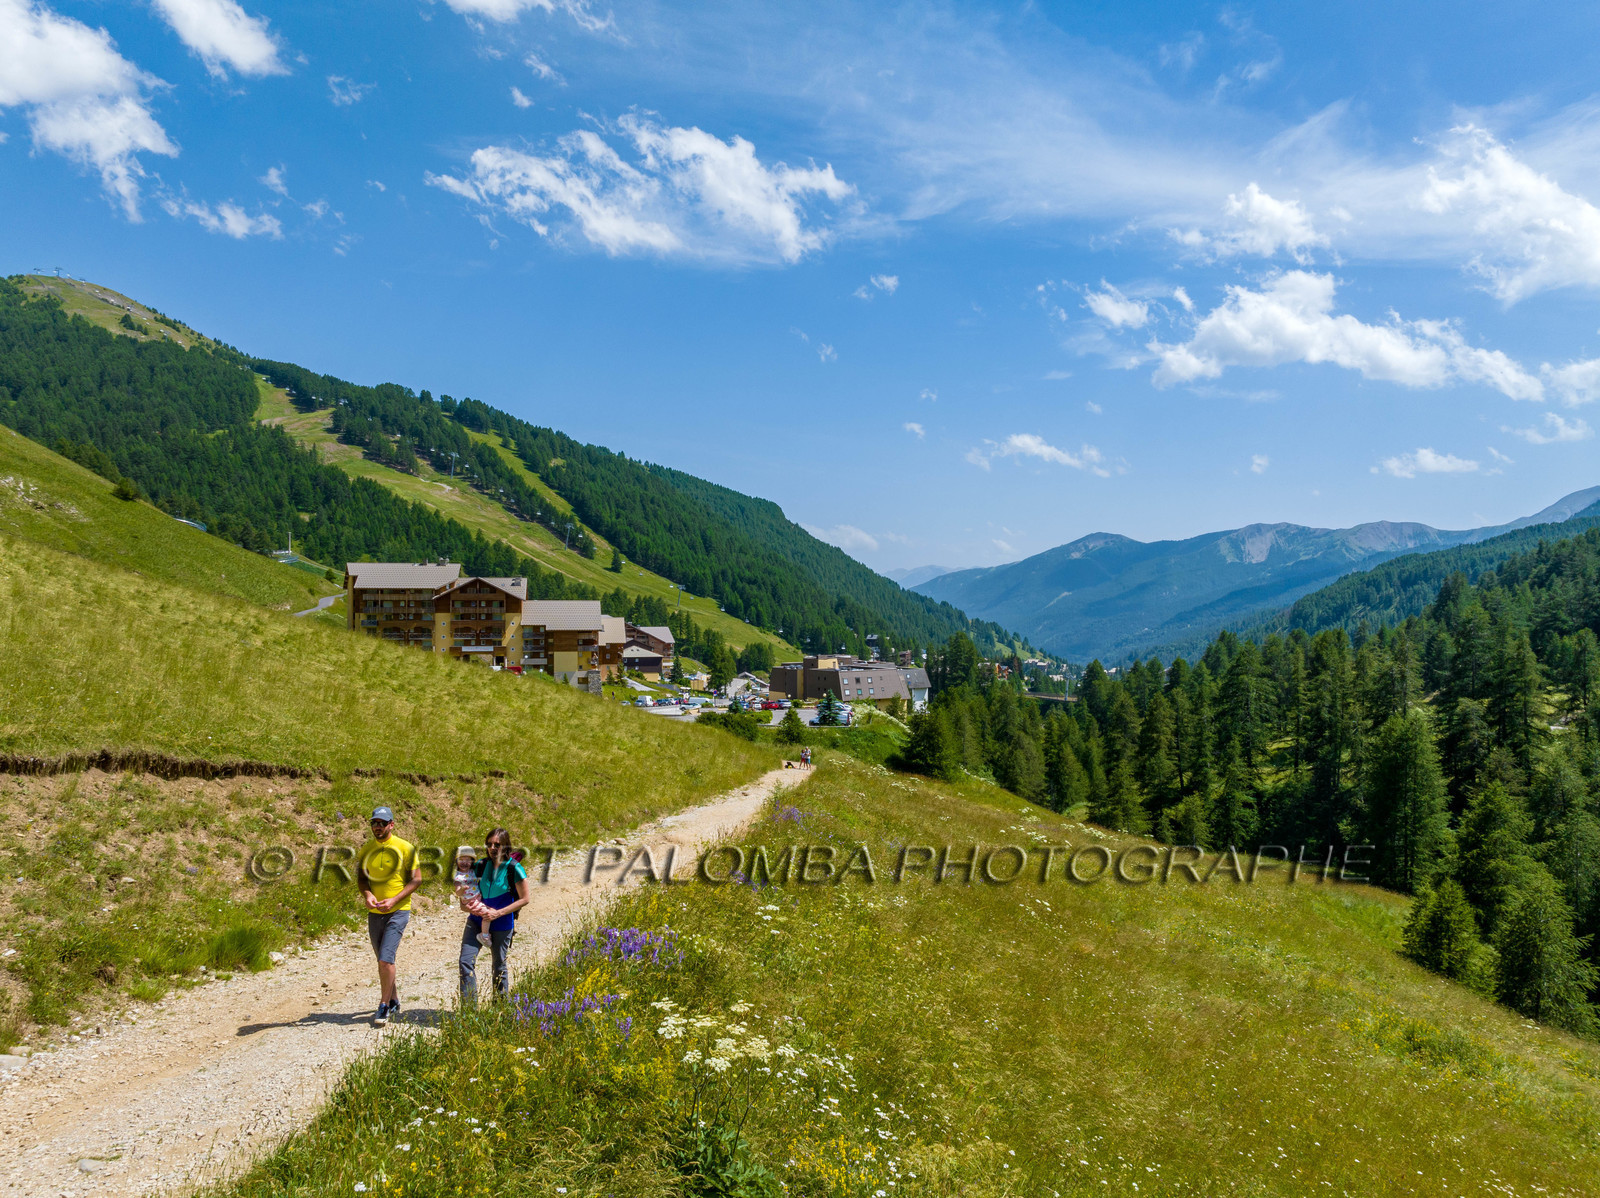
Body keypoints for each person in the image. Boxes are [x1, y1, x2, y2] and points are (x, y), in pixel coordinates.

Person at [358, 805, 420, 1027]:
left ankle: (383, 1005)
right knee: (383, 960)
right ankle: (394, 999)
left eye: (382, 823)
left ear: (391, 825)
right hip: (374, 912)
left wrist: (394, 900)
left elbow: (416, 879)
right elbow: (362, 880)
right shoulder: (366, 849)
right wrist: (367, 895)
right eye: (374, 823)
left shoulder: (405, 848)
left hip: (399, 910)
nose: (377, 827)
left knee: (385, 958)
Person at [458, 828, 530, 1003]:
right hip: (476, 920)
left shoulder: (514, 869)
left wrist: (498, 913)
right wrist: (464, 904)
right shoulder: (480, 866)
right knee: (465, 962)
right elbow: (466, 892)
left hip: (502, 923)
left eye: (497, 844)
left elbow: (525, 899)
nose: (492, 847)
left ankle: (499, 1009)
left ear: (505, 846)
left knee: (499, 967)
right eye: (489, 844)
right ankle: (469, 1013)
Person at [452, 846, 496, 947]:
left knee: (492, 910)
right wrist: (462, 889)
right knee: (487, 914)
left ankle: (485, 932)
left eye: (468, 860)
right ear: (457, 862)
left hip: (477, 897)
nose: (464, 863)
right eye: (461, 860)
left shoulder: (471, 871)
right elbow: (458, 893)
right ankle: (484, 936)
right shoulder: (458, 877)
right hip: (470, 901)